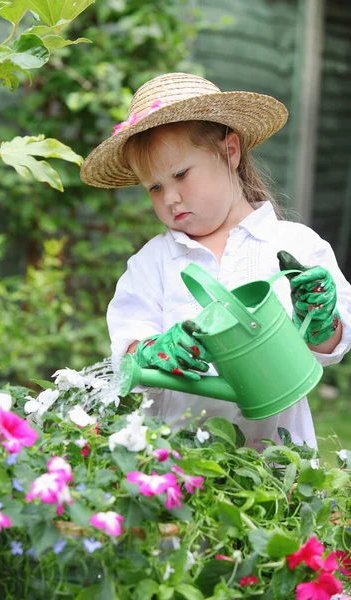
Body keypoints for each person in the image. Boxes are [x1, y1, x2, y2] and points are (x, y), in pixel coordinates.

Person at [80, 72, 351, 451]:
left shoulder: (294, 245)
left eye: (180, 175)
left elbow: (332, 349)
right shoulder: (152, 262)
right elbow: (128, 346)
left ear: (230, 152)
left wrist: (321, 322)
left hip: (276, 459)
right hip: (177, 459)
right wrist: (152, 350)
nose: (169, 198)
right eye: (154, 188)